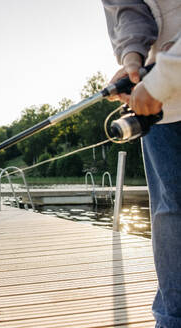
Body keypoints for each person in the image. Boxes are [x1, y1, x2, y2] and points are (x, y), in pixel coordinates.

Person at [102, 1, 181, 327]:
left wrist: (164, 75)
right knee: (169, 216)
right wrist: (133, 60)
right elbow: (127, 8)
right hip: (163, 109)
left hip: (163, 86)